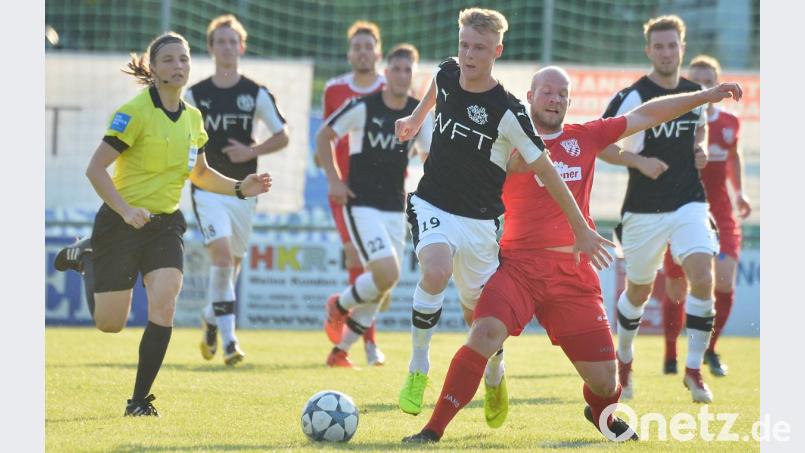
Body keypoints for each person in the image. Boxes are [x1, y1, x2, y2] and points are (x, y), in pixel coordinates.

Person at [401, 67, 741, 443]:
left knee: (606, 382)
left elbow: (644, 115)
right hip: (518, 269)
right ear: (529, 96)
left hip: (572, 275)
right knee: (484, 333)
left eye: (562, 94)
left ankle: (601, 416)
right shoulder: (504, 141)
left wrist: (702, 97)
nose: (555, 99)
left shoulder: (586, 137)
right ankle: (432, 430)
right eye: (547, 92)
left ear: (569, 102)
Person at [394, 7, 613, 417]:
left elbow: (548, 172)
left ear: (497, 50)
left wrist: (580, 228)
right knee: (435, 269)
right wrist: (415, 117)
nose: (468, 55)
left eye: (478, 47)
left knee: (476, 316)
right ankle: (418, 366)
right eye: (463, 45)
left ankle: (495, 370)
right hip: (432, 201)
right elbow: (436, 90)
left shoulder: (509, 112)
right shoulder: (447, 72)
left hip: (480, 223)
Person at [55, 32, 271, 416]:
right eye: (169, 60)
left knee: (166, 299)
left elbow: (201, 175)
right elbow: (95, 170)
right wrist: (124, 210)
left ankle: (139, 401)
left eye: (184, 59)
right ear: (153, 69)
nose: (178, 66)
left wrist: (240, 187)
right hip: (120, 224)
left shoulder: (192, 118)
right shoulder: (135, 112)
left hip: (164, 225)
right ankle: (87, 256)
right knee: (110, 324)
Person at [600, 15, 721, 403]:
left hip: (689, 201)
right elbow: (602, 144)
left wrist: (698, 147)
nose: (667, 52)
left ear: (682, 48)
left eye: (673, 45)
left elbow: (698, 127)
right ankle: (624, 362)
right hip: (643, 209)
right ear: (648, 50)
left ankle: (693, 370)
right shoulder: (634, 96)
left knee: (702, 275)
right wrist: (639, 162)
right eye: (659, 46)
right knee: (638, 291)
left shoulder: (694, 93)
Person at [184, 14, 289, 366]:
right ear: (211, 48)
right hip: (209, 189)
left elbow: (282, 134)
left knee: (233, 266)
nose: (227, 47)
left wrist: (252, 152)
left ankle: (212, 319)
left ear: (241, 47)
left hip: (245, 191)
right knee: (224, 259)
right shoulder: (194, 94)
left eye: (233, 41)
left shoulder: (255, 93)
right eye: (221, 41)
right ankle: (230, 342)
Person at [317, 44, 431, 368]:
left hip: (395, 206)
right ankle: (338, 306)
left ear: (412, 76)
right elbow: (324, 136)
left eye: (407, 70)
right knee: (387, 272)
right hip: (361, 203)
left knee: (383, 284)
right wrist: (334, 180)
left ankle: (340, 351)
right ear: (386, 73)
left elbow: (429, 156)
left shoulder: (418, 113)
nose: (401, 75)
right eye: (395, 68)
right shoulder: (364, 106)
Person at [661, 55, 752, 377]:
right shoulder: (678, 120)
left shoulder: (729, 122)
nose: (702, 85)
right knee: (676, 288)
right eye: (695, 80)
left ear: (718, 82)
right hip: (682, 210)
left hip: (721, 212)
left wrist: (739, 192)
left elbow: (733, 156)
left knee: (724, 281)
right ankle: (671, 355)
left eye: (707, 79)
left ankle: (709, 351)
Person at [320, 20, 387, 365]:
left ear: (378, 51)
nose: (362, 52)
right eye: (356, 47)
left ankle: (346, 322)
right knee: (358, 261)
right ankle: (367, 345)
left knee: (380, 271)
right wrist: (333, 180)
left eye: (368, 46)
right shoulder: (334, 90)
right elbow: (325, 141)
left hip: (385, 196)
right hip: (346, 192)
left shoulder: (392, 88)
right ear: (350, 53)